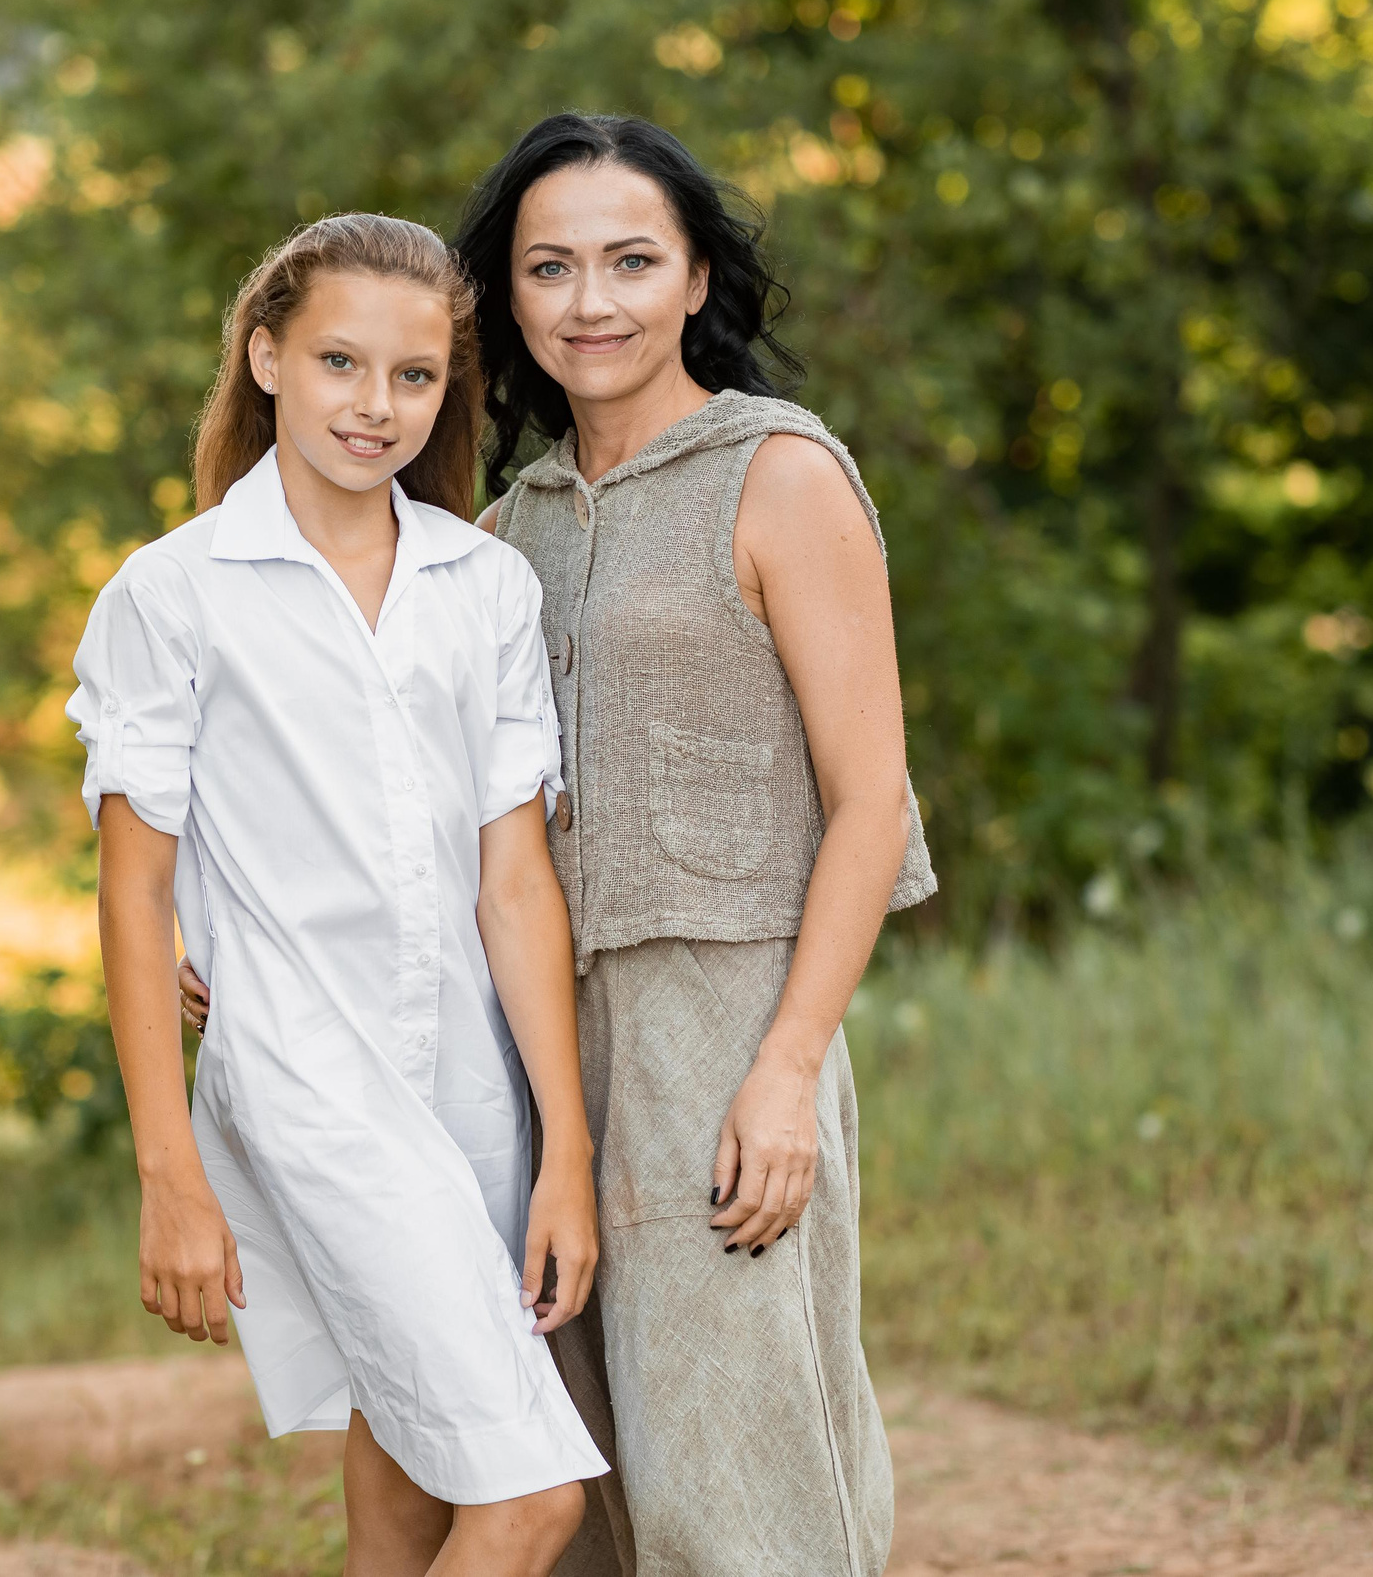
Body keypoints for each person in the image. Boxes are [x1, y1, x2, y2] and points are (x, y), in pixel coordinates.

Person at [190, 115, 937, 1574]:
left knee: (736, 1438)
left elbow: (872, 803)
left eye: (631, 262)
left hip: (718, 1029)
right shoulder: (498, 529)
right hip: (513, 1048)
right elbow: (383, 794)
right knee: (564, 1451)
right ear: (508, 300)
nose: (591, 302)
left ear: (697, 278)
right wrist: (243, 956)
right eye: (550, 268)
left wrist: (784, 1074)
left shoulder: (776, 476)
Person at [70, 213, 608, 1577]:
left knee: (413, 1454)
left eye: (414, 377)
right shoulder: (173, 596)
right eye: (339, 364)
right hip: (310, 1085)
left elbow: (514, 886)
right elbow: (134, 901)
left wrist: (565, 1151)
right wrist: (167, 1175)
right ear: (266, 357)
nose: (377, 408)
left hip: (472, 1088)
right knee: (535, 1496)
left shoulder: (484, 587)